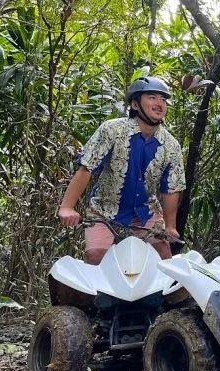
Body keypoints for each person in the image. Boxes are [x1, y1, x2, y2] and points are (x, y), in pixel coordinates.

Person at [57, 76, 185, 264]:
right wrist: (67, 207)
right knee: (95, 260)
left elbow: (171, 189)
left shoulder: (171, 146)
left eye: (163, 99)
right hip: (104, 210)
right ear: (135, 104)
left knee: (165, 260)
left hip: (146, 211)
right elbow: (87, 168)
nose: (159, 104)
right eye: (152, 97)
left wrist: (171, 226)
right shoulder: (112, 130)